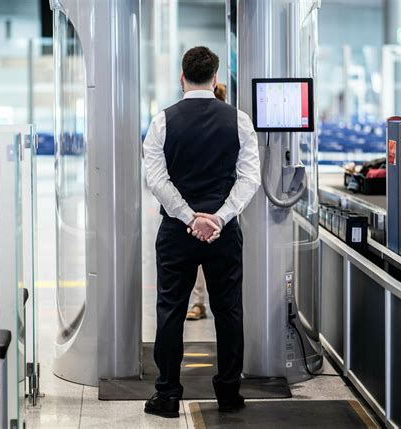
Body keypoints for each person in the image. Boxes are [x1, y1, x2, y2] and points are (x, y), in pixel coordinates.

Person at [143, 46, 260, 418]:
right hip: (223, 235)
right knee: (228, 312)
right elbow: (249, 178)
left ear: (182, 78)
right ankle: (228, 394)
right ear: (215, 78)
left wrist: (188, 216)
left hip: (177, 233)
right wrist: (219, 218)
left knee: (170, 311)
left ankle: (167, 395)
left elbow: (156, 180)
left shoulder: (162, 121)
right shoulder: (239, 120)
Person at [186, 82, 227, 321]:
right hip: (218, 210)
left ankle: (199, 303)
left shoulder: (228, 125)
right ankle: (200, 303)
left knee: (200, 261)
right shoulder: (230, 123)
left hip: (202, 209)